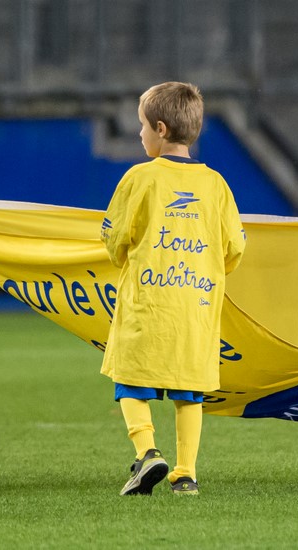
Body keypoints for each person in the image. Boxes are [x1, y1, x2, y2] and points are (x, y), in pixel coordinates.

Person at [100, 82, 247, 496]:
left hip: (148, 304)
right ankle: (186, 473)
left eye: (142, 126)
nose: (139, 134)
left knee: (130, 381)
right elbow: (234, 247)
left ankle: (147, 453)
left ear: (161, 129)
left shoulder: (139, 178)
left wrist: (125, 254)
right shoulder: (216, 185)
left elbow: (114, 238)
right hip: (195, 306)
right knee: (189, 392)